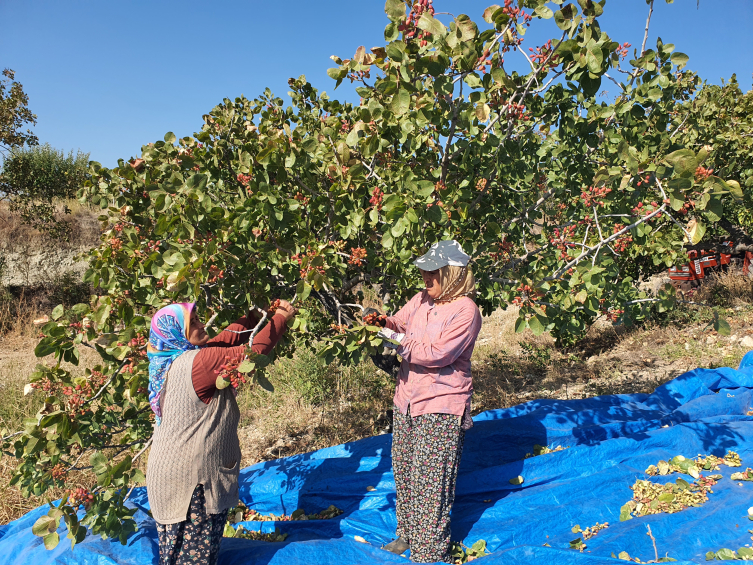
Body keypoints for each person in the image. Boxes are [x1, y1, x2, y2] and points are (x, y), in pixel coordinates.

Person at [146, 300, 296, 565]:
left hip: (169, 476)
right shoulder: (199, 362)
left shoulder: (172, 359)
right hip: (192, 483)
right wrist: (282, 317)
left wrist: (253, 316)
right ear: (177, 331)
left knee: (176, 556)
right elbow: (252, 352)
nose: (201, 324)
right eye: (193, 323)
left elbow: (226, 337)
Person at [377, 240, 482, 563]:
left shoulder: (466, 310)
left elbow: (437, 354)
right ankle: (408, 534)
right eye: (424, 272)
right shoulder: (422, 300)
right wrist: (381, 323)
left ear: (450, 274)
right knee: (406, 470)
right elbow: (400, 322)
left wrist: (396, 341)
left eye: (432, 273)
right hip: (407, 399)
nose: (425, 278)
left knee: (431, 481)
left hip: (441, 404)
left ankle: (430, 552)